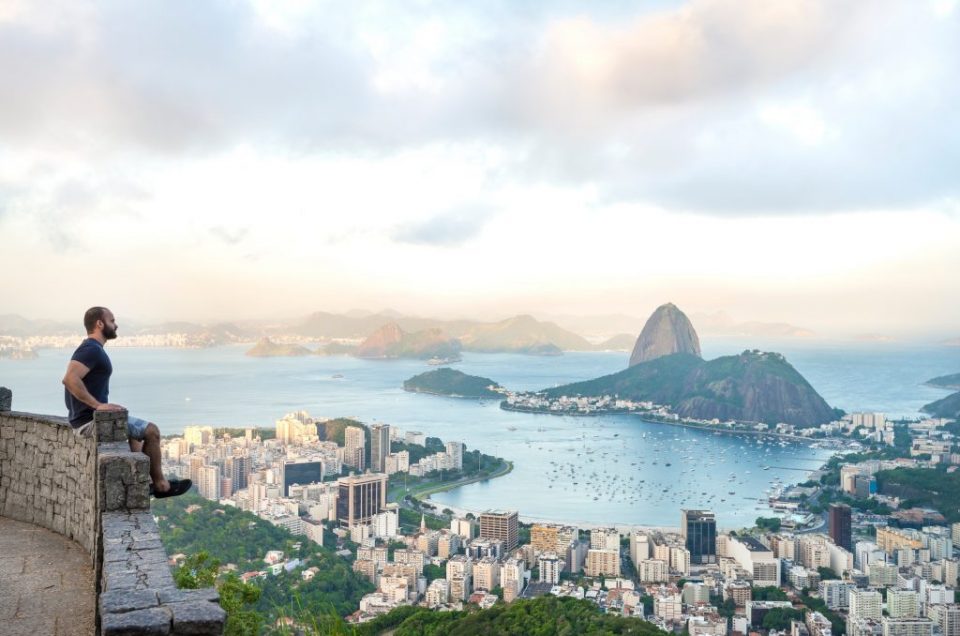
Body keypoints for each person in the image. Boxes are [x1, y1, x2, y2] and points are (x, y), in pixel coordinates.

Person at [63, 306, 191, 498]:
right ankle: (161, 486)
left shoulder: (91, 349)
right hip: (90, 421)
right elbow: (70, 379)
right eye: (112, 321)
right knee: (152, 431)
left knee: (133, 436)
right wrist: (98, 405)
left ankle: (143, 482)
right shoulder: (91, 349)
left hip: (86, 419)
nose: (116, 325)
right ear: (99, 323)